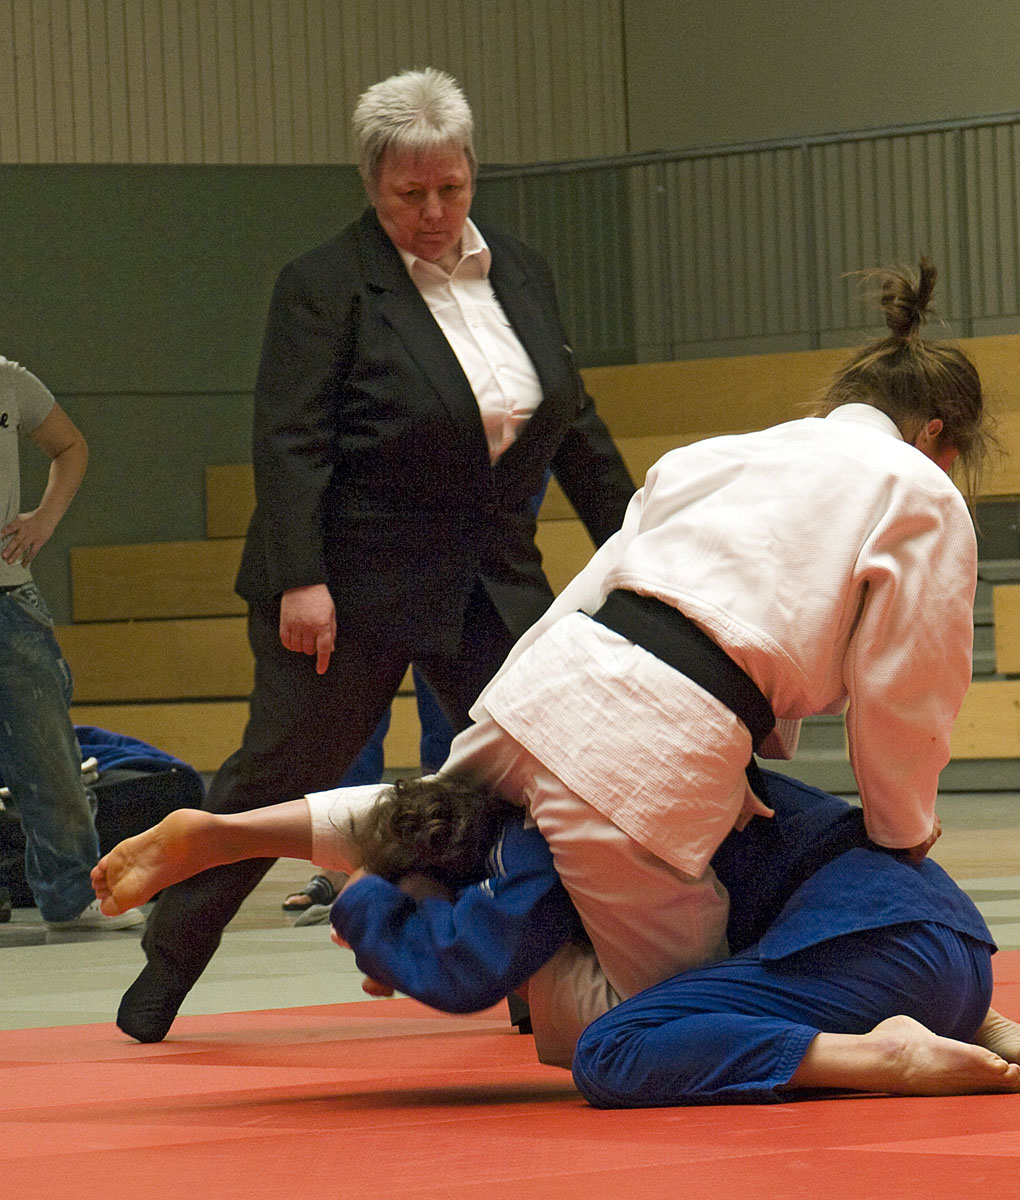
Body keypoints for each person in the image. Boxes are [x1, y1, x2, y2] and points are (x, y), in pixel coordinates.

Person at [117, 67, 633, 1043]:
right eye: (410, 194)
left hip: (487, 571)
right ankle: (167, 965)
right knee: (278, 777)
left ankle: (530, 972)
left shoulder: (519, 270)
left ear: (473, 172)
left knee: (535, 769)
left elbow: (572, 422)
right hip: (350, 579)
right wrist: (302, 576)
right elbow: (292, 439)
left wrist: (644, 542)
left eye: (452, 188)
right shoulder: (324, 285)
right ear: (370, 183)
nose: (435, 211)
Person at [432, 258, 996, 1035]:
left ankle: (369, 878)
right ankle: (551, 975)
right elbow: (904, 685)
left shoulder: (714, 454)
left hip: (546, 687)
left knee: (436, 824)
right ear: (936, 433)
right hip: (667, 732)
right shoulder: (919, 489)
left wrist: (484, 737)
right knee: (680, 1013)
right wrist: (900, 830)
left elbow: (585, 595)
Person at [91, 767, 1020, 1102]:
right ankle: (966, 1018)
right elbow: (405, 816)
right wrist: (228, 837)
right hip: (949, 940)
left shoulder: (544, 840)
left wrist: (368, 915)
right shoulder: (548, 776)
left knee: (606, 1046)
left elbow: (468, 964)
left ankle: (882, 1056)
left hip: (873, 966)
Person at [0, 354, 144, 931]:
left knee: (48, 757)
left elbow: (70, 447)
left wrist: (44, 519)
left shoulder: (8, 379)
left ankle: (69, 894)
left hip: (9, 598)